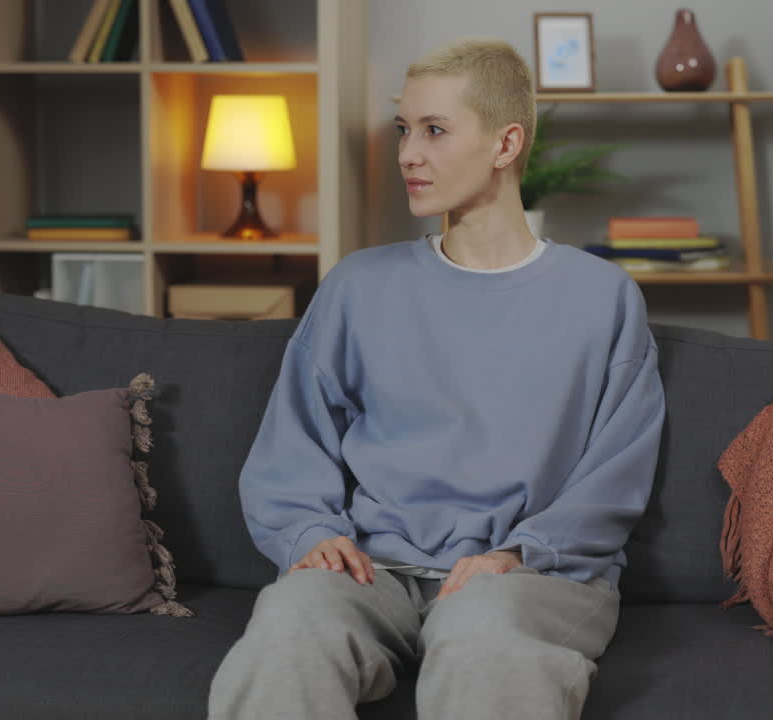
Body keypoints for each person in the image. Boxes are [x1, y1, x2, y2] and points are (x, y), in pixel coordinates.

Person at [208, 36, 666, 720]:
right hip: (373, 572)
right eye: (404, 130)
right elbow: (292, 444)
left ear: (506, 144)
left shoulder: (600, 296)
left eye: (434, 131)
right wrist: (308, 535)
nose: (407, 154)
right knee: (288, 622)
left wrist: (518, 551)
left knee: (484, 637)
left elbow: (615, 475)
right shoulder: (359, 286)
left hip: (531, 578)